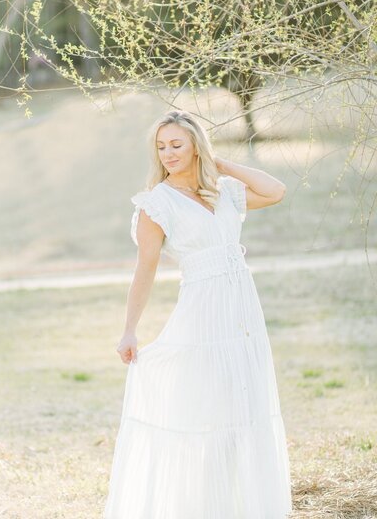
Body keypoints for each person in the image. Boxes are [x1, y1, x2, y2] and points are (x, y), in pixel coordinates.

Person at [103, 110, 293, 519]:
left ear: (195, 147)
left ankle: (241, 505)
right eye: (161, 146)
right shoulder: (156, 205)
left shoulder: (223, 191)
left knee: (247, 405)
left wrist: (219, 163)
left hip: (242, 310)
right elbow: (145, 269)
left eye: (177, 145)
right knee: (208, 410)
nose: (168, 153)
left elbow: (275, 190)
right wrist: (129, 331)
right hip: (201, 311)